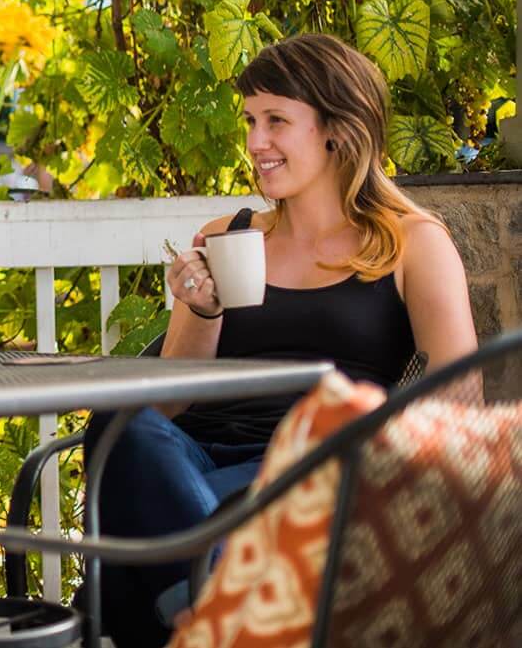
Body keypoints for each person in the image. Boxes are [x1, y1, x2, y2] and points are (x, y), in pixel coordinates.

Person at [85, 33, 479, 648]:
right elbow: (167, 405)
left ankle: (200, 601)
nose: (254, 143)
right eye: (250, 121)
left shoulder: (411, 245)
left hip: (317, 472)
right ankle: (227, 601)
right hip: (197, 468)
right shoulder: (228, 234)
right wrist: (203, 309)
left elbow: (460, 401)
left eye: (276, 121)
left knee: (142, 553)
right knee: (122, 424)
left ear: (337, 130)